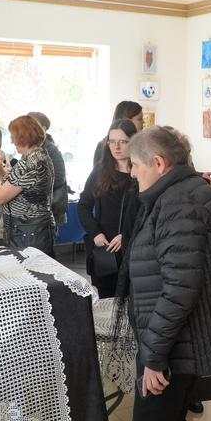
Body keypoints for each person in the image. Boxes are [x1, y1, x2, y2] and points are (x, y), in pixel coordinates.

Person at [122, 126, 211, 421]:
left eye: (135, 165)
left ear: (158, 163)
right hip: (181, 343)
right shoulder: (186, 192)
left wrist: (154, 357)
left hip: (177, 350)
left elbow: (179, 290)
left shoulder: (179, 204)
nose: (132, 173)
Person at [77, 119, 139, 298]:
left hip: (133, 249)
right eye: (112, 141)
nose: (116, 147)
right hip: (105, 250)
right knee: (107, 301)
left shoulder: (141, 171)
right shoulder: (100, 171)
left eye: (123, 141)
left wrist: (127, 234)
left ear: (133, 142)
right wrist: (96, 234)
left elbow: (148, 211)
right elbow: (83, 206)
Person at [0, 115, 55, 255]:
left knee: (28, 268)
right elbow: (15, 186)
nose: (11, 141)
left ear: (23, 137)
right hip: (31, 230)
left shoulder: (30, 162)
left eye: (13, 136)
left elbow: (0, 197)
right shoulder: (38, 156)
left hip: (27, 231)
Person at [28, 111, 68, 226]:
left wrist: (33, 183)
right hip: (39, 207)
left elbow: (60, 177)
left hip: (50, 208)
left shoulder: (51, 150)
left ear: (43, 128)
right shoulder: (32, 147)